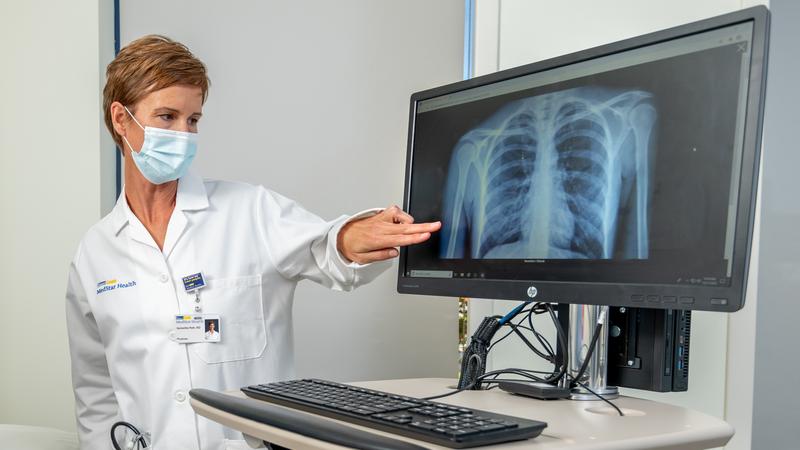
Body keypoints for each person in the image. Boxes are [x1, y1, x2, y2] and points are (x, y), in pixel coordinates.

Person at [65, 35, 441, 450]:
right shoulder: (95, 253)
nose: (184, 134)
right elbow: (95, 392)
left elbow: (325, 247)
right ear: (122, 120)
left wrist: (351, 238)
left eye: (193, 120)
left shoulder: (249, 211)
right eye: (168, 117)